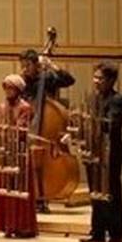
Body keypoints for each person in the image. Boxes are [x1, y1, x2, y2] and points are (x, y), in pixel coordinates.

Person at [19, 49, 76, 214]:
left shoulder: (48, 77)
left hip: (47, 129)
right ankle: (32, 197)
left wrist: (52, 66)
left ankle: (43, 198)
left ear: (36, 65)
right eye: (22, 65)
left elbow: (69, 80)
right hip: (31, 129)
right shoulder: (23, 82)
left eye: (28, 65)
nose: (24, 69)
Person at [82, 61, 122, 242]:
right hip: (93, 151)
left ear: (111, 80)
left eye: (100, 78)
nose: (96, 81)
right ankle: (98, 232)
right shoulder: (92, 99)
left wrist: (90, 121)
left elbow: (112, 125)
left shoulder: (118, 100)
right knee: (95, 193)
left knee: (111, 194)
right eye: (94, 77)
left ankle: (116, 234)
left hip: (110, 153)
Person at [0, 74, 39, 239]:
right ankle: (7, 224)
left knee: (20, 186)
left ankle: (22, 226)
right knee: (5, 187)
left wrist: (6, 129)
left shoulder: (25, 107)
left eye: (11, 88)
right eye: (6, 88)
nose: (8, 91)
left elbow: (21, 129)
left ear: (18, 90)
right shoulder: (1, 106)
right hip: (5, 152)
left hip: (19, 152)